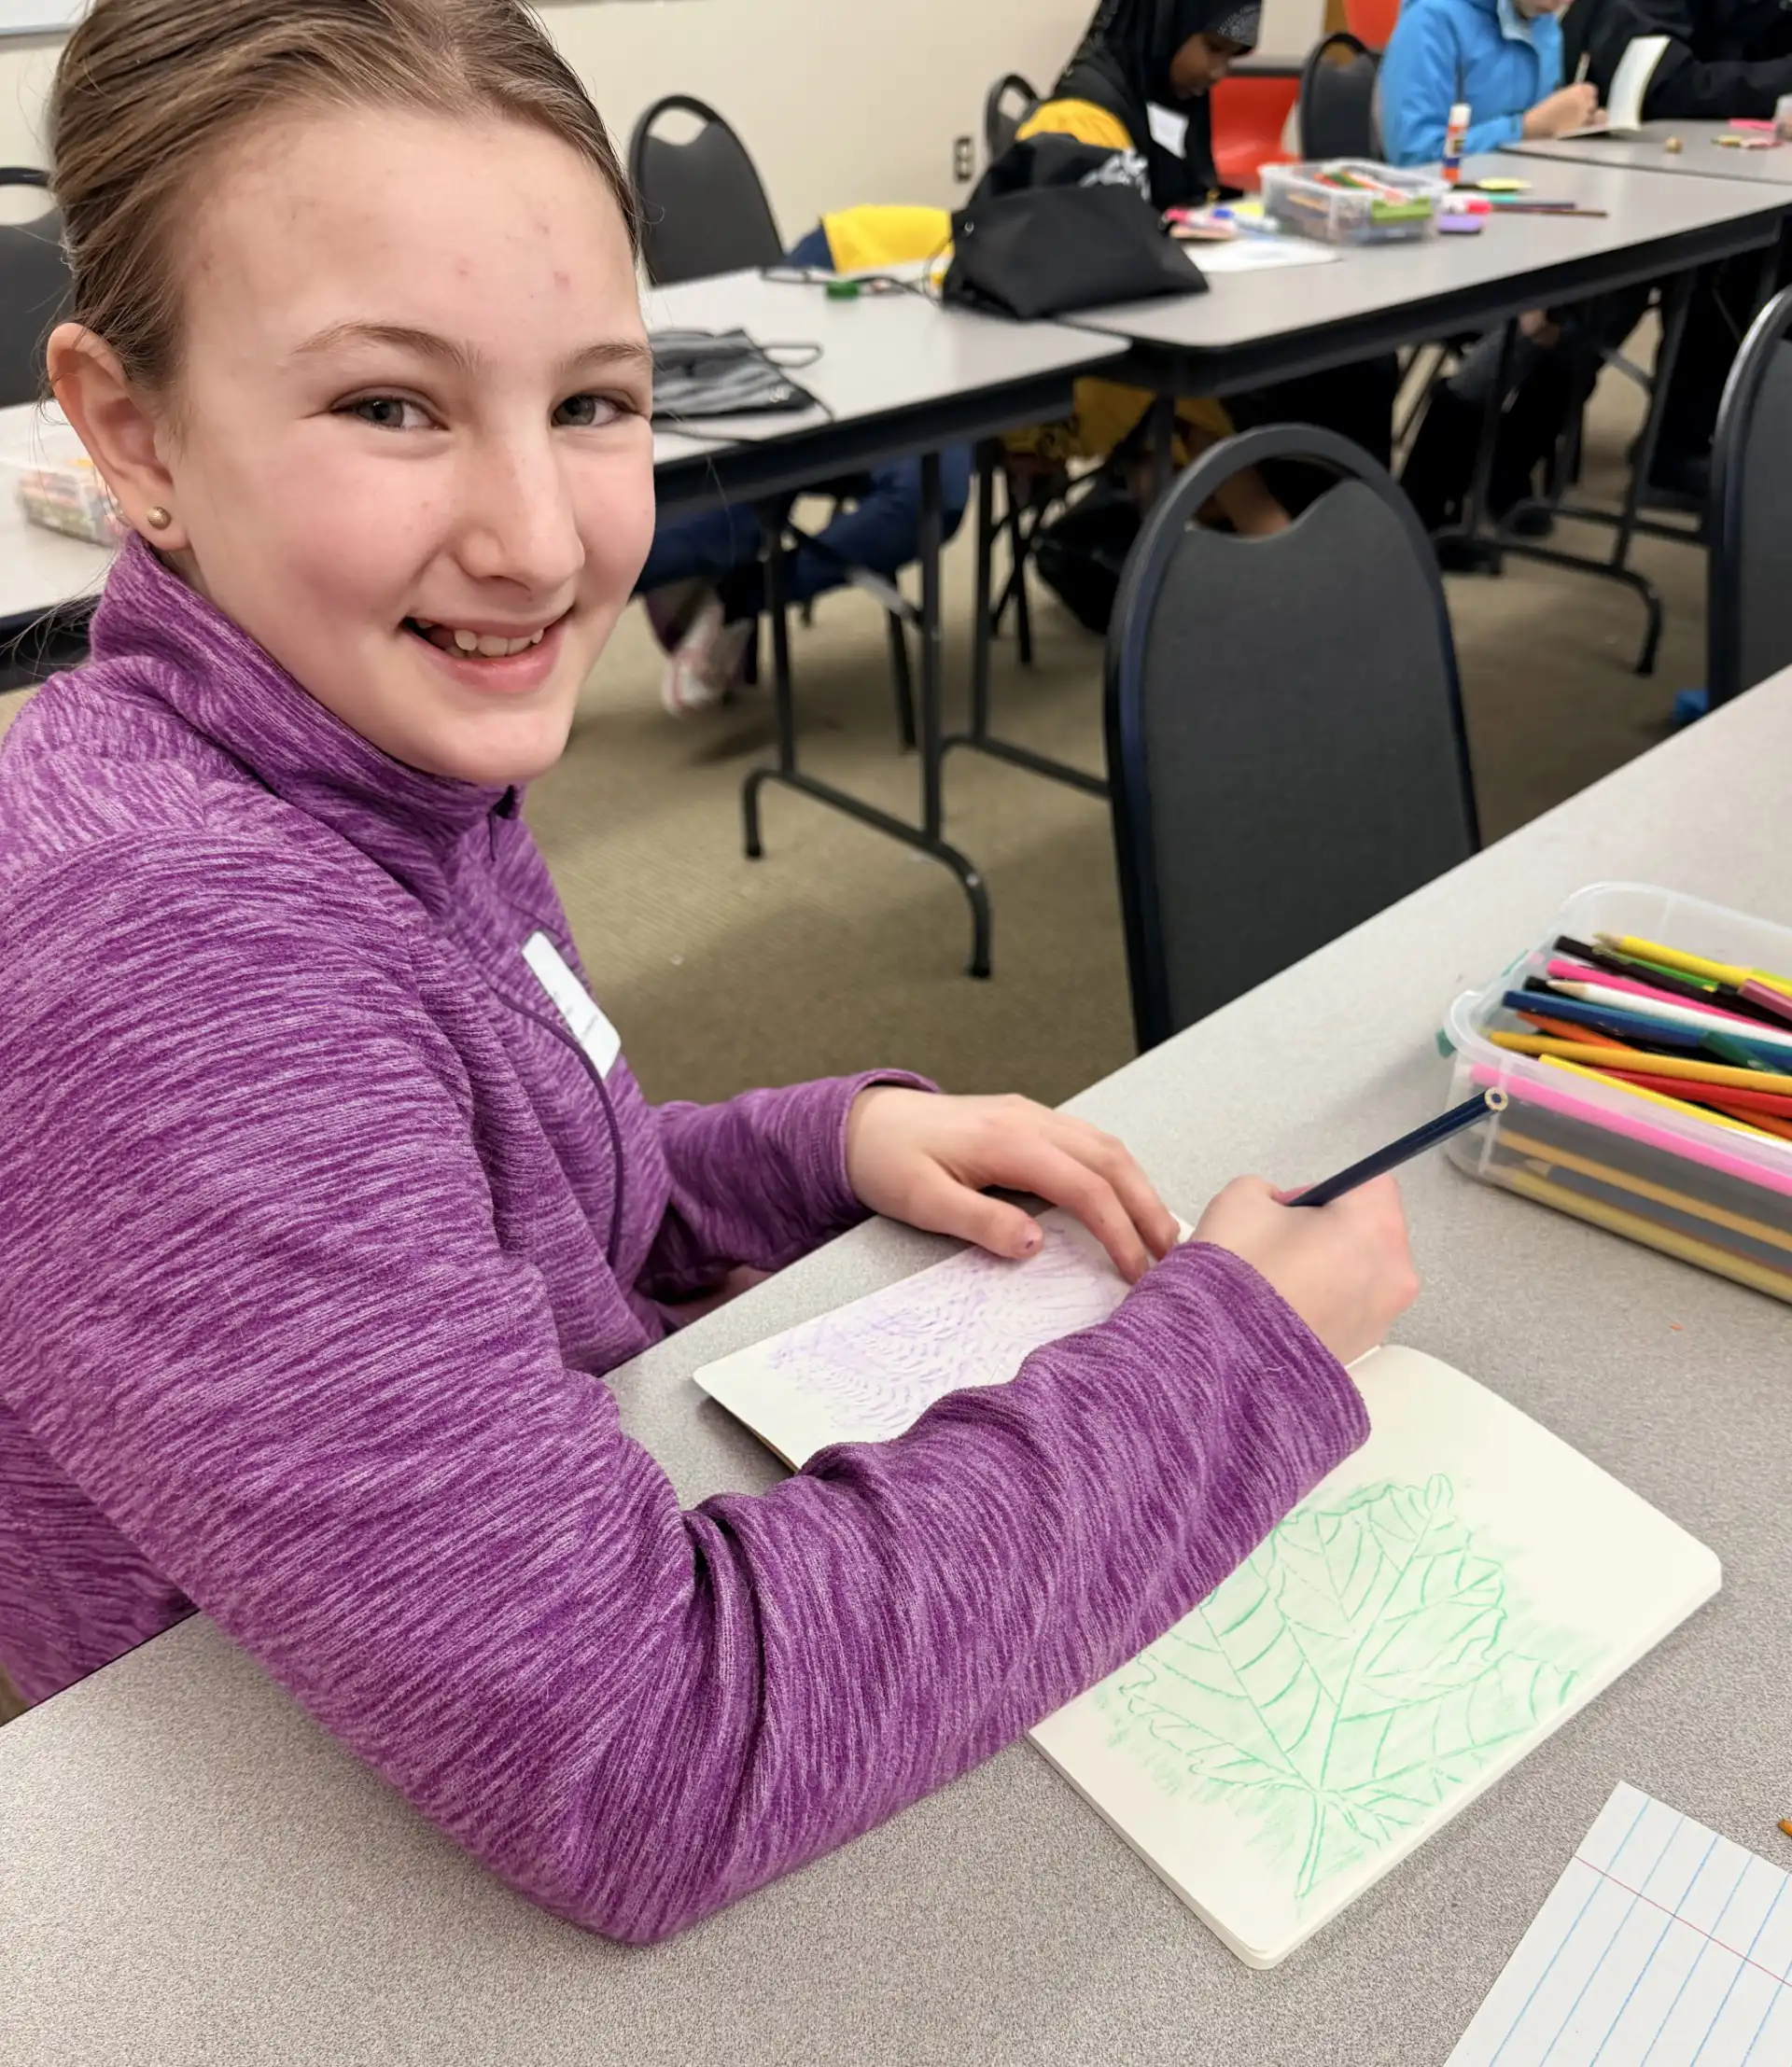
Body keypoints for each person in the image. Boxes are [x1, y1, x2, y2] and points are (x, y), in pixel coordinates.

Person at [0, 0, 1417, 1945]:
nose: (535, 538)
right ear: (134, 436)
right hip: (302, 1909)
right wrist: (1232, 1360)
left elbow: (497, 1170)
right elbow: (651, 1754)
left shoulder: (366, 751)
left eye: (593, 402)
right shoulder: (178, 954)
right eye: (391, 407)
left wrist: (813, 1145)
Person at [638, 225, 973, 716]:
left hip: (924, 350)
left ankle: (739, 597)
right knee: (758, 492)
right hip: (841, 280)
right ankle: (532, 601)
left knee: (927, 497)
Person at [1380, 0, 1604, 552]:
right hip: (1427, 236)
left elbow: (1529, 157)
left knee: (1594, 315)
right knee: (1532, 322)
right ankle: (1422, 504)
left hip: (1511, 230)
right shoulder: (1433, 20)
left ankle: (1503, 468)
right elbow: (1415, 157)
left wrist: (1571, 130)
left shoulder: (1543, 24)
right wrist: (1531, 125)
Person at [1566, 0, 1792, 505]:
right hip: (1624, 191)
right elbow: (1660, 86)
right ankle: (1682, 445)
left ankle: (1747, 441)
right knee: (1745, 258)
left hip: (1733, 174)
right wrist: (1780, 82)